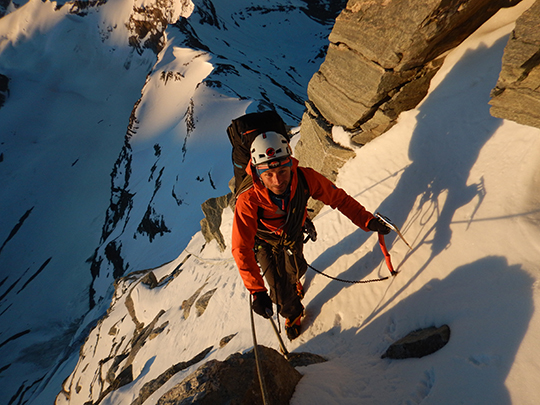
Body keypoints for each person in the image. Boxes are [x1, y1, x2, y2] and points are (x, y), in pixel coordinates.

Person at [231, 131, 390, 340]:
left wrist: (367, 220)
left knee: (296, 268)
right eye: (268, 174)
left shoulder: (305, 177)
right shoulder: (248, 199)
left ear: (290, 163)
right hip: (264, 241)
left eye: (282, 171)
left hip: (292, 231)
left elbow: (338, 199)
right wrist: (257, 291)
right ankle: (293, 313)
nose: (277, 180)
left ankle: (295, 280)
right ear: (258, 173)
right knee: (278, 290)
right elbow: (241, 247)